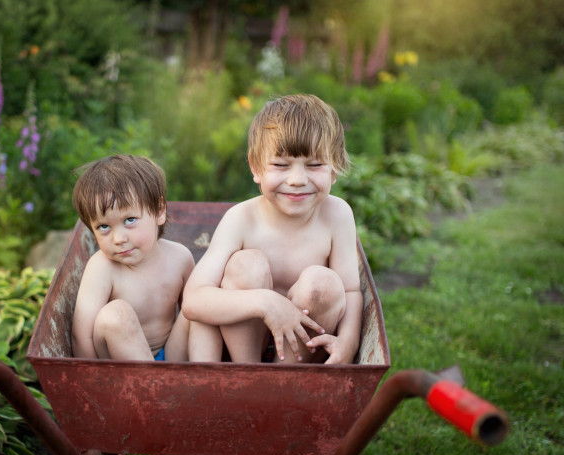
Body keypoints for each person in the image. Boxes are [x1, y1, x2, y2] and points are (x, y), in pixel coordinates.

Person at [182, 94, 362, 364]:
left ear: (334, 169)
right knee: (246, 264)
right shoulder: (241, 219)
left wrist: (348, 342)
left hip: (301, 350)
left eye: (314, 165)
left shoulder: (337, 216)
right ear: (256, 166)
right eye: (280, 165)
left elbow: (350, 291)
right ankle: (250, 374)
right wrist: (265, 302)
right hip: (243, 344)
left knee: (323, 283)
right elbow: (193, 300)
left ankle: (287, 379)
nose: (297, 180)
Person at [71, 154, 194, 361]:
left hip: (173, 354)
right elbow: (81, 336)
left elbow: (189, 314)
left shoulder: (179, 257)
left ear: (159, 211)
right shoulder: (102, 268)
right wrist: (93, 384)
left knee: (198, 306)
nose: (118, 239)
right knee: (115, 314)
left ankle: (202, 375)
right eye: (103, 227)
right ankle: (152, 387)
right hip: (123, 364)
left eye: (129, 220)